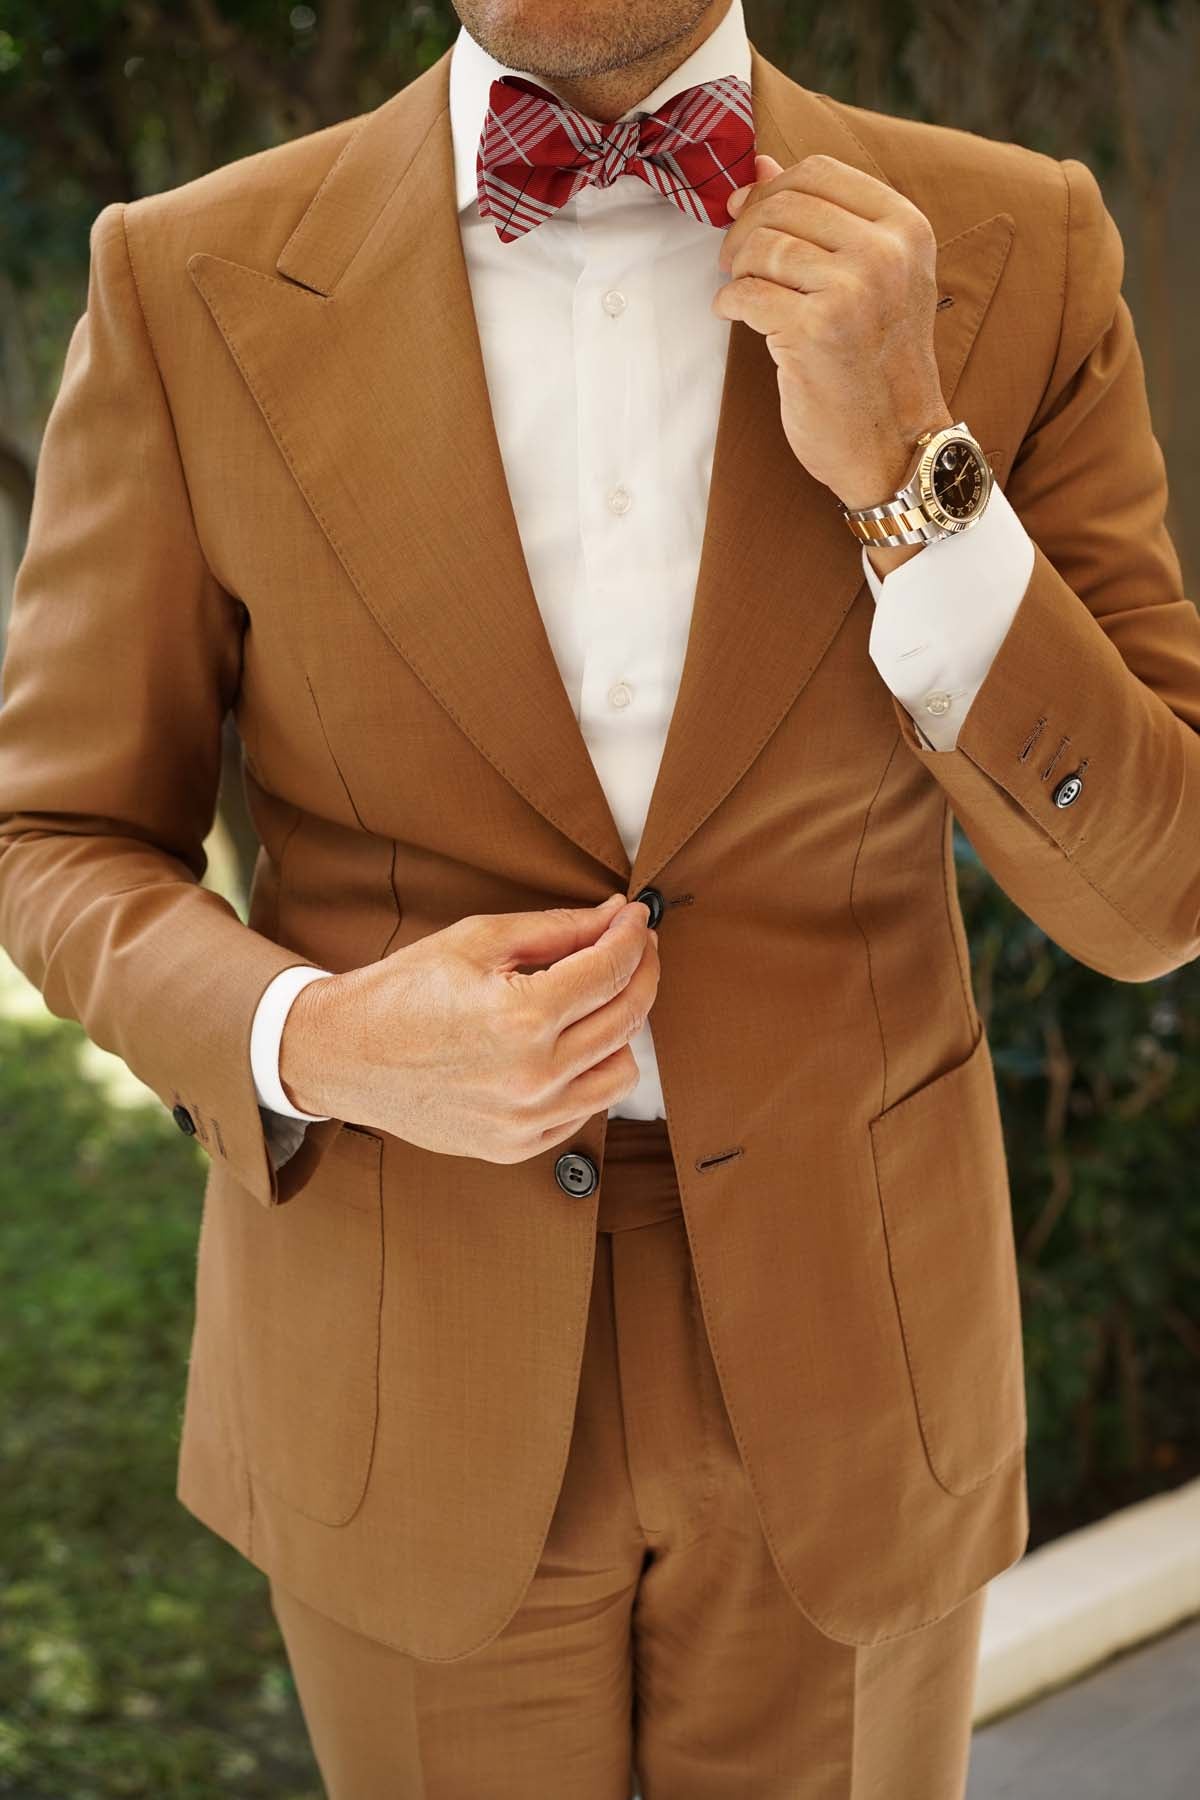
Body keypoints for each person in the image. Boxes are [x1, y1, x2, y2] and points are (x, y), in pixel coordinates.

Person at [1, 0, 1196, 1792]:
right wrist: (315, 1040)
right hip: (404, 1361)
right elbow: (57, 837)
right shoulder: (187, 280)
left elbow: (1154, 889)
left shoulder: (1016, 241)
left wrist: (914, 478)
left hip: (855, 1362)